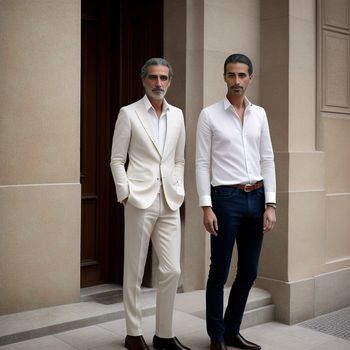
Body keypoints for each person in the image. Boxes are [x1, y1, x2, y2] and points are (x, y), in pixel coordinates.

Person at [196, 53, 276, 350]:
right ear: (224, 77)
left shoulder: (261, 114)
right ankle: (216, 337)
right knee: (219, 271)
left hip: (256, 197)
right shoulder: (209, 115)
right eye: (232, 75)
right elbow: (202, 163)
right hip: (225, 199)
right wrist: (206, 206)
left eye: (242, 75)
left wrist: (271, 204)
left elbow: (267, 159)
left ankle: (232, 330)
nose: (237, 81)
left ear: (250, 78)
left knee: (250, 270)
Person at [110, 58, 190, 350]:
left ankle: (164, 335)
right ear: (144, 80)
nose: (159, 84)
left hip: (169, 201)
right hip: (139, 200)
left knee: (172, 270)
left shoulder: (178, 115)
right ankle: (133, 333)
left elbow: (179, 159)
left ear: (170, 81)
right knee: (134, 270)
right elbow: (117, 159)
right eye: (154, 78)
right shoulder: (129, 114)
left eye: (164, 78)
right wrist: (125, 193)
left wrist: (178, 186)